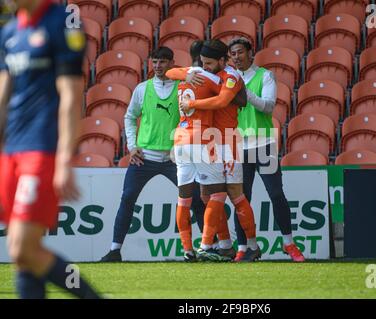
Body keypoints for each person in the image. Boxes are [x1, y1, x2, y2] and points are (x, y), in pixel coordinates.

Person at [0, 0, 101, 298]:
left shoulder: (63, 23)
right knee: (24, 257)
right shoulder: (8, 32)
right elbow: (3, 97)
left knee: (21, 246)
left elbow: (71, 97)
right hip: (12, 153)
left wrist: (63, 160)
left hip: (42, 149)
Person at [100, 47, 206, 262]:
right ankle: (114, 250)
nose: (158, 66)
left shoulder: (183, 87)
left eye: (162, 62)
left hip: (174, 159)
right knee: (127, 199)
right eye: (154, 62)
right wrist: (132, 146)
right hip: (144, 158)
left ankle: (207, 247)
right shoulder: (142, 88)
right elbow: (129, 117)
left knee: (195, 199)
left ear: (171, 63)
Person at [177, 39, 261, 262]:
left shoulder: (231, 76)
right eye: (203, 63)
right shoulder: (212, 75)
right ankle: (225, 244)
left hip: (229, 142)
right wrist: (185, 75)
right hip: (210, 142)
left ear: (222, 60)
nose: (205, 67)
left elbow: (224, 101)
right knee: (208, 195)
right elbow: (173, 72)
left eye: (209, 63)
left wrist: (192, 105)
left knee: (235, 194)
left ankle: (251, 245)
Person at [228, 37, 305, 262]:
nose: (236, 57)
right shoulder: (228, 80)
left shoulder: (266, 76)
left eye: (240, 52)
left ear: (251, 53)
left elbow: (268, 106)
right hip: (239, 147)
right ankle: (244, 246)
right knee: (241, 199)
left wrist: (244, 92)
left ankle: (289, 243)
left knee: (276, 194)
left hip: (264, 145)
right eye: (232, 54)